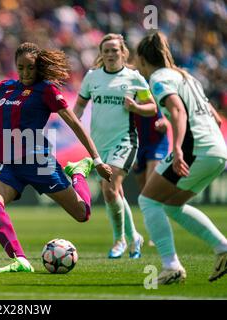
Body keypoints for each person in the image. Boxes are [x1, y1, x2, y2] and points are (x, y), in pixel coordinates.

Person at [0, 42, 112, 272]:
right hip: (8, 164)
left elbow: (75, 124)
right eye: (21, 67)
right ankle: (19, 260)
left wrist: (96, 160)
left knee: (82, 214)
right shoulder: (5, 87)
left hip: (39, 163)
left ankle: (78, 172)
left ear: (39, 67)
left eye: (30, 68)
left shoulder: (47, 90)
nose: (25, 73)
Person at [135, 31, 227, 284]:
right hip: (217, 149)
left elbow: (177, 110)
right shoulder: (186, 76)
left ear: (143, 60)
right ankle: (222, 247)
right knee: (171, 205)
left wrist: (177, 148)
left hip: (195, 150)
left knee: (147, 200)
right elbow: (215, 117)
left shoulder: (158, 77)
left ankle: (171, 266)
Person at [74, 34, 157, 259]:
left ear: (123, 53)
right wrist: (74, 121)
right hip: (98, 145)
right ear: (101, 54)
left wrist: (136, 107)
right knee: (115, 193)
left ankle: (119, 240)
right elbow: (80, 105)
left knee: (110, 190)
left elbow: (152, 107)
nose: (110, 54)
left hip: (125, 141)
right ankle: (135, 237)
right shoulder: (92, 77)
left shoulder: (133, 78)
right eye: (106, 50)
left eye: (114, 50)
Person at [133, 111, 170, 247]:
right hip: (137, 144)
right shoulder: (129, 91)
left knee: (151, 191)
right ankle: (156, 228)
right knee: (144, 192)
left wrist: (166, 121)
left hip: (156, 143)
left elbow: (172, 110)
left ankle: (158, 233)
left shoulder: (156, 91)